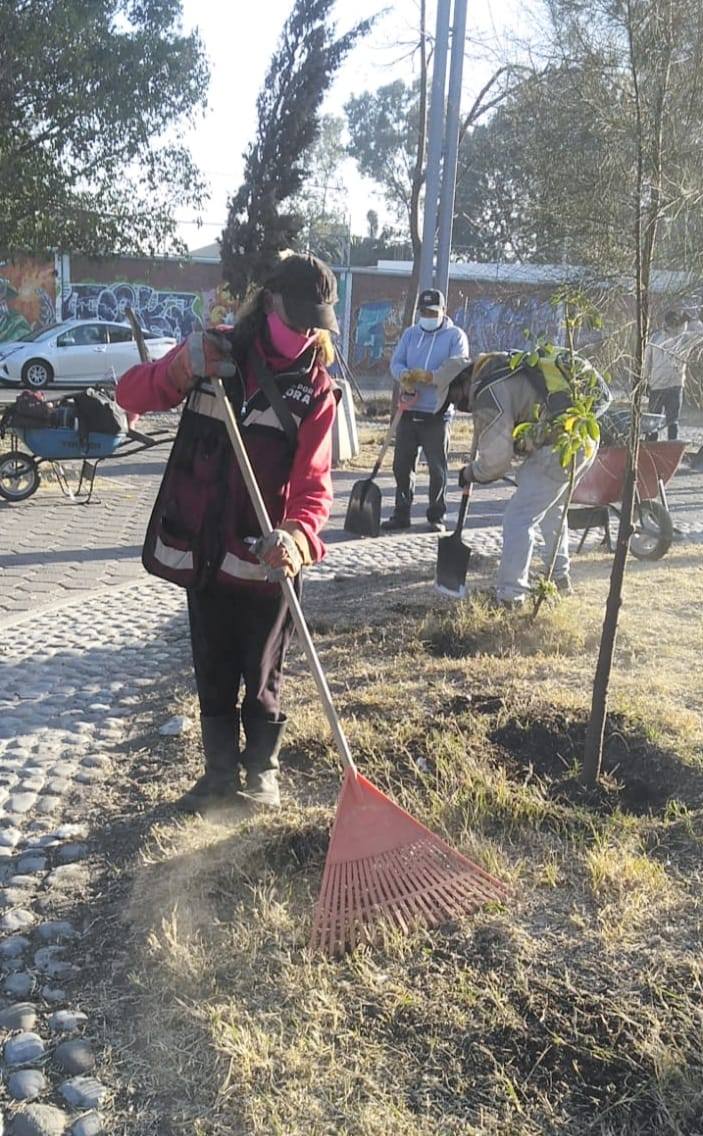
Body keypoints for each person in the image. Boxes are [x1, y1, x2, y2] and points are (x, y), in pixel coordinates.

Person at [116, 254, 340, 812]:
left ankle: (262, 772)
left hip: (267, 561)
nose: (307, 332)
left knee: (263, 670)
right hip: (205, 552)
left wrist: (296, 538)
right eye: (298, 319)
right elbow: (130, 396)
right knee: (212, 667)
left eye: (317, 322)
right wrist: (179, 369)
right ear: (269, 304)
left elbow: (314, 487)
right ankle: (218, 775)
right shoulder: (213, 353)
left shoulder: (316, 391)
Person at [433, 348, 610, 608]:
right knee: (552, 512)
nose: (459, 406)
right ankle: (559, 579)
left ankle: (510, 596)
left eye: (454, 398)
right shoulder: (504, 368)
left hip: (558, 447)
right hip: (583, 439)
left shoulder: (487, 392)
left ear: (463, 381)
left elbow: (496, 461)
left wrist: (471, 472)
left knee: (518, 519)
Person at [381, 289, 468, 533]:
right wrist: (404, 376)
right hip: (409, 410)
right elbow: (396, 362)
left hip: (437, 413)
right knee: (402, 466)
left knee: (437, 468)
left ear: (443, 311)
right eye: (424, 312)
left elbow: (458, 365)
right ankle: (401, 513)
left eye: (432, 312)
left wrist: (432, 377)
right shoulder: (410, 334)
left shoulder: (455, 336)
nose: (427, 316)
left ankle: (436, 515)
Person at [644, 310, 702, 441]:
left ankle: (671, 450)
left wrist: (693, 321)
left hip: (674, 387)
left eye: (676, 321)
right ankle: (651, 451)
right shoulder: (655, 337)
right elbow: (646, 361)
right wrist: (645, 381)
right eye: (671, 321)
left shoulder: (684, 338)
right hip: (656, 386)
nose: (673, 324)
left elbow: (700, 334)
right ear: (665, 322)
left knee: (673, 423)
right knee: (652, 424)